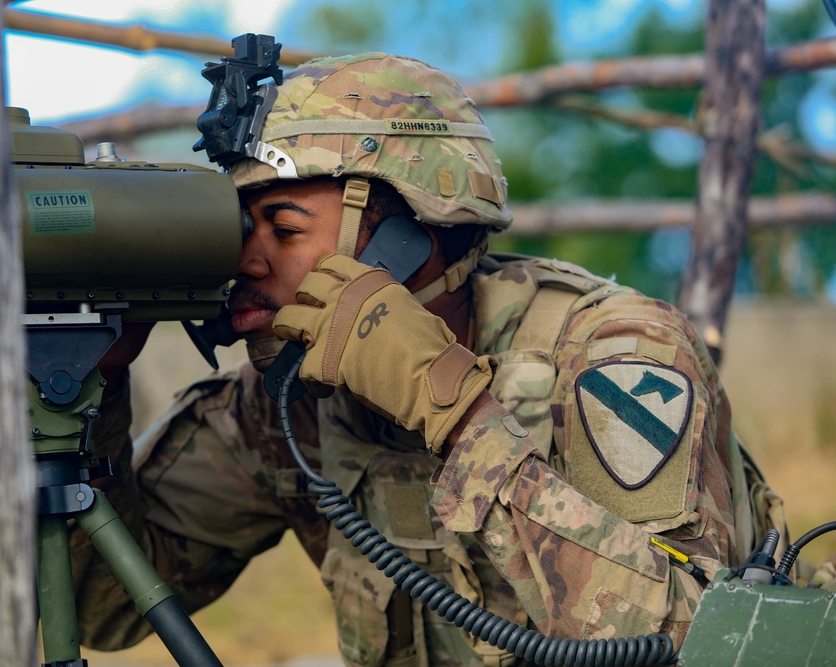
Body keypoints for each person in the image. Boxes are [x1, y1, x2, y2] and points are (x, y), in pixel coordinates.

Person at [71, 52, 792, 666]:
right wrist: (94, 388)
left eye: (283, 228)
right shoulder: (281, 404)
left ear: (409, 236)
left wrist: (450, 406)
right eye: (239, 227)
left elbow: (698, 643)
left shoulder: (609, 353)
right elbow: (101, 608)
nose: (247, 260)